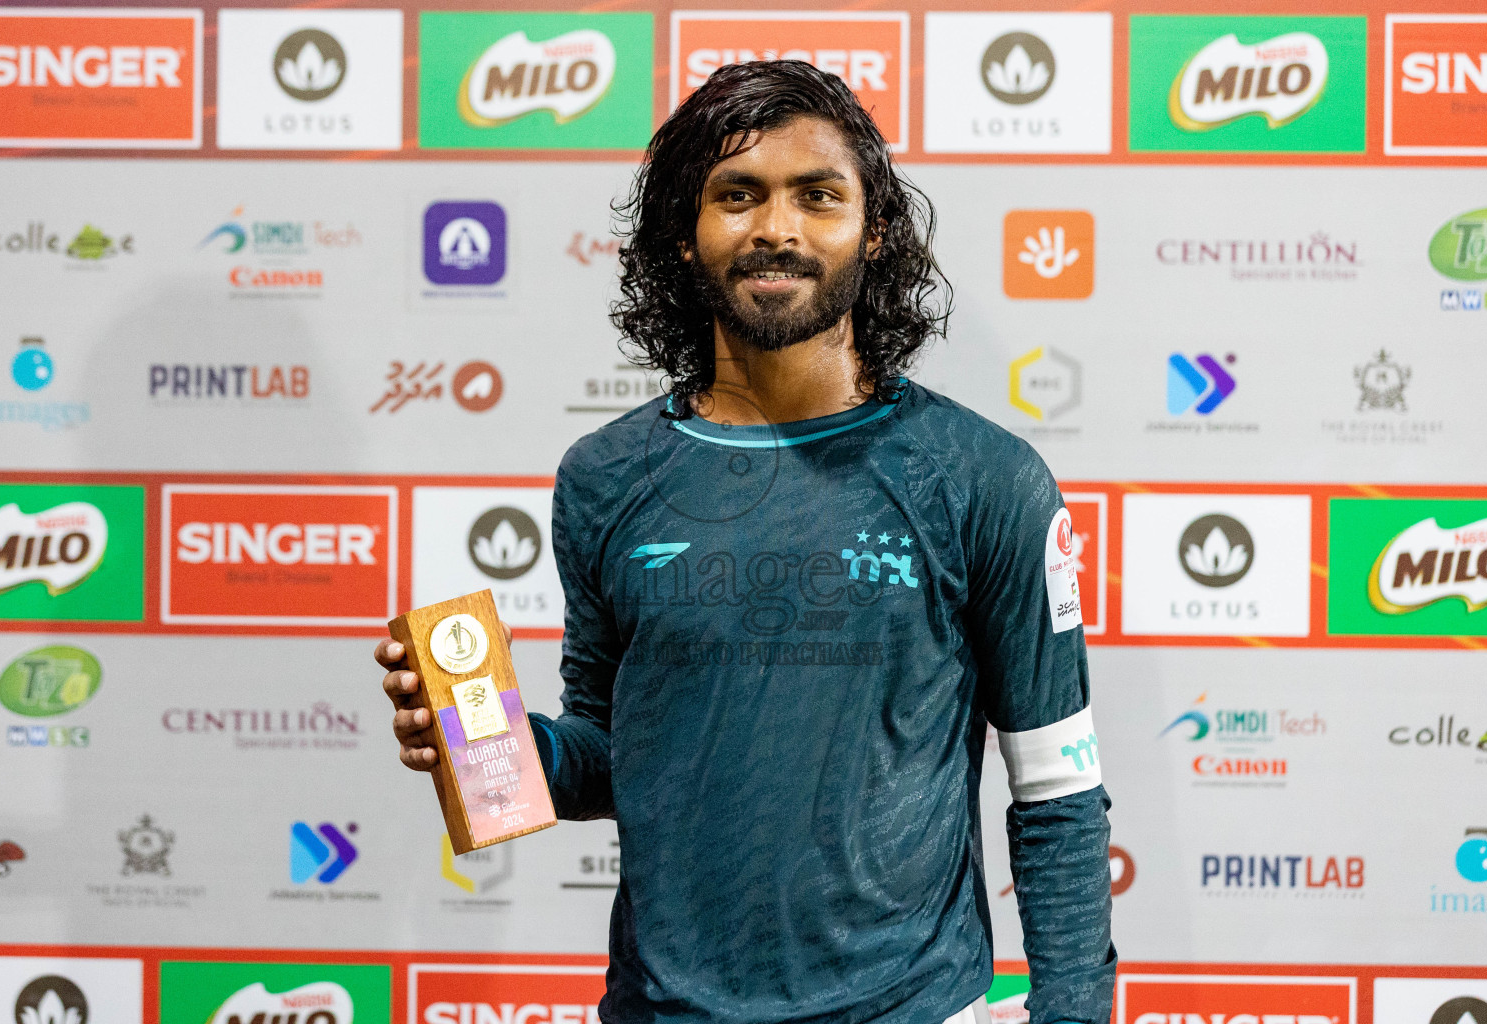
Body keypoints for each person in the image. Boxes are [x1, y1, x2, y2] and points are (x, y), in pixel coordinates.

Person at [377, 60, 1114, 1024]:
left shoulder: (983, 476)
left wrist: (1074, 1013)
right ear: (686, 234)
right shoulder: (604, 476)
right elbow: (612, 749)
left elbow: (1058, 784)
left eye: (818, 195)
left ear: (874, 230)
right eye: (738, 196)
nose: (777, 228)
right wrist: (492, 747)